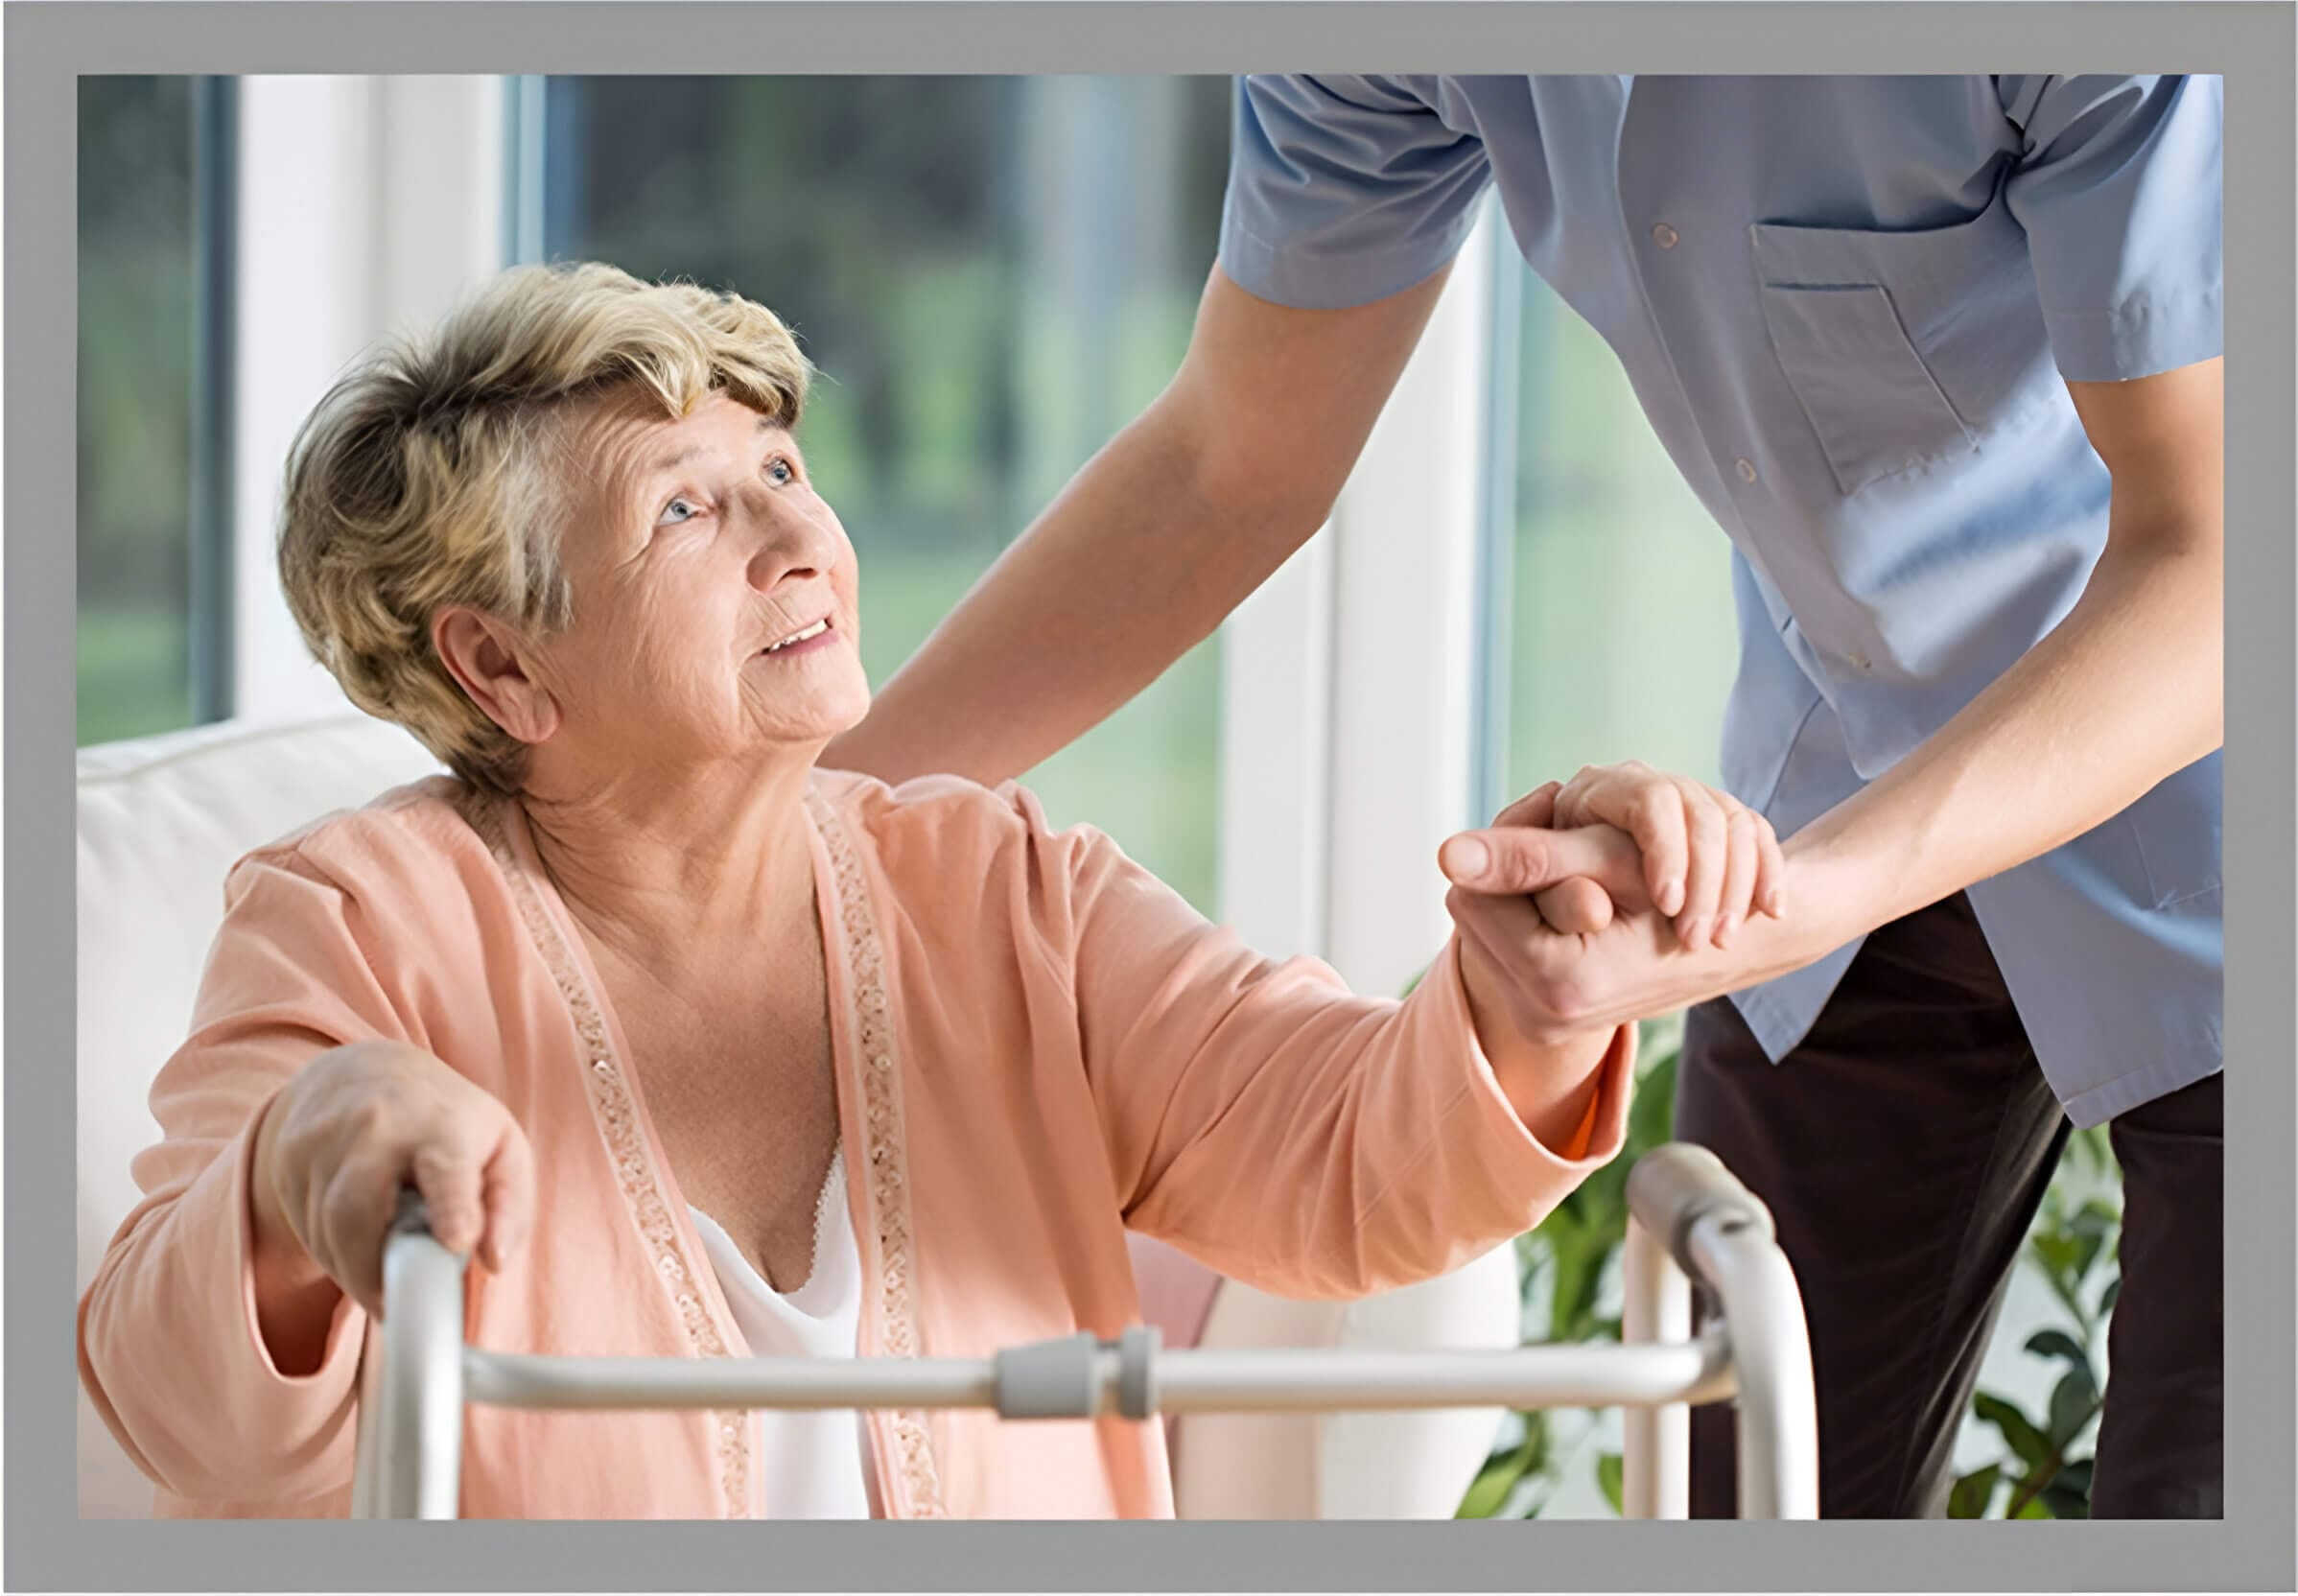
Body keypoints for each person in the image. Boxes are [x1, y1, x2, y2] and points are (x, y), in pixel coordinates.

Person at [75, 262, 1780, 1520]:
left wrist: (1531, 1003)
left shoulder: (997, 885)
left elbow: (1342, 1155)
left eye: (785, 474)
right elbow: (183, 1425)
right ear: (503, 664)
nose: (797, 539)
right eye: (686, 510)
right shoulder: (358, 922)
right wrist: (297, 1181)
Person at [823, 75, 2226, 1519]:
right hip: (1840, 770)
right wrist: (773, 819)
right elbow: (1231, 459)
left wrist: (1792, 907)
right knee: (1738, 1490)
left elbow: (2219, 558)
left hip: (2210, 811)